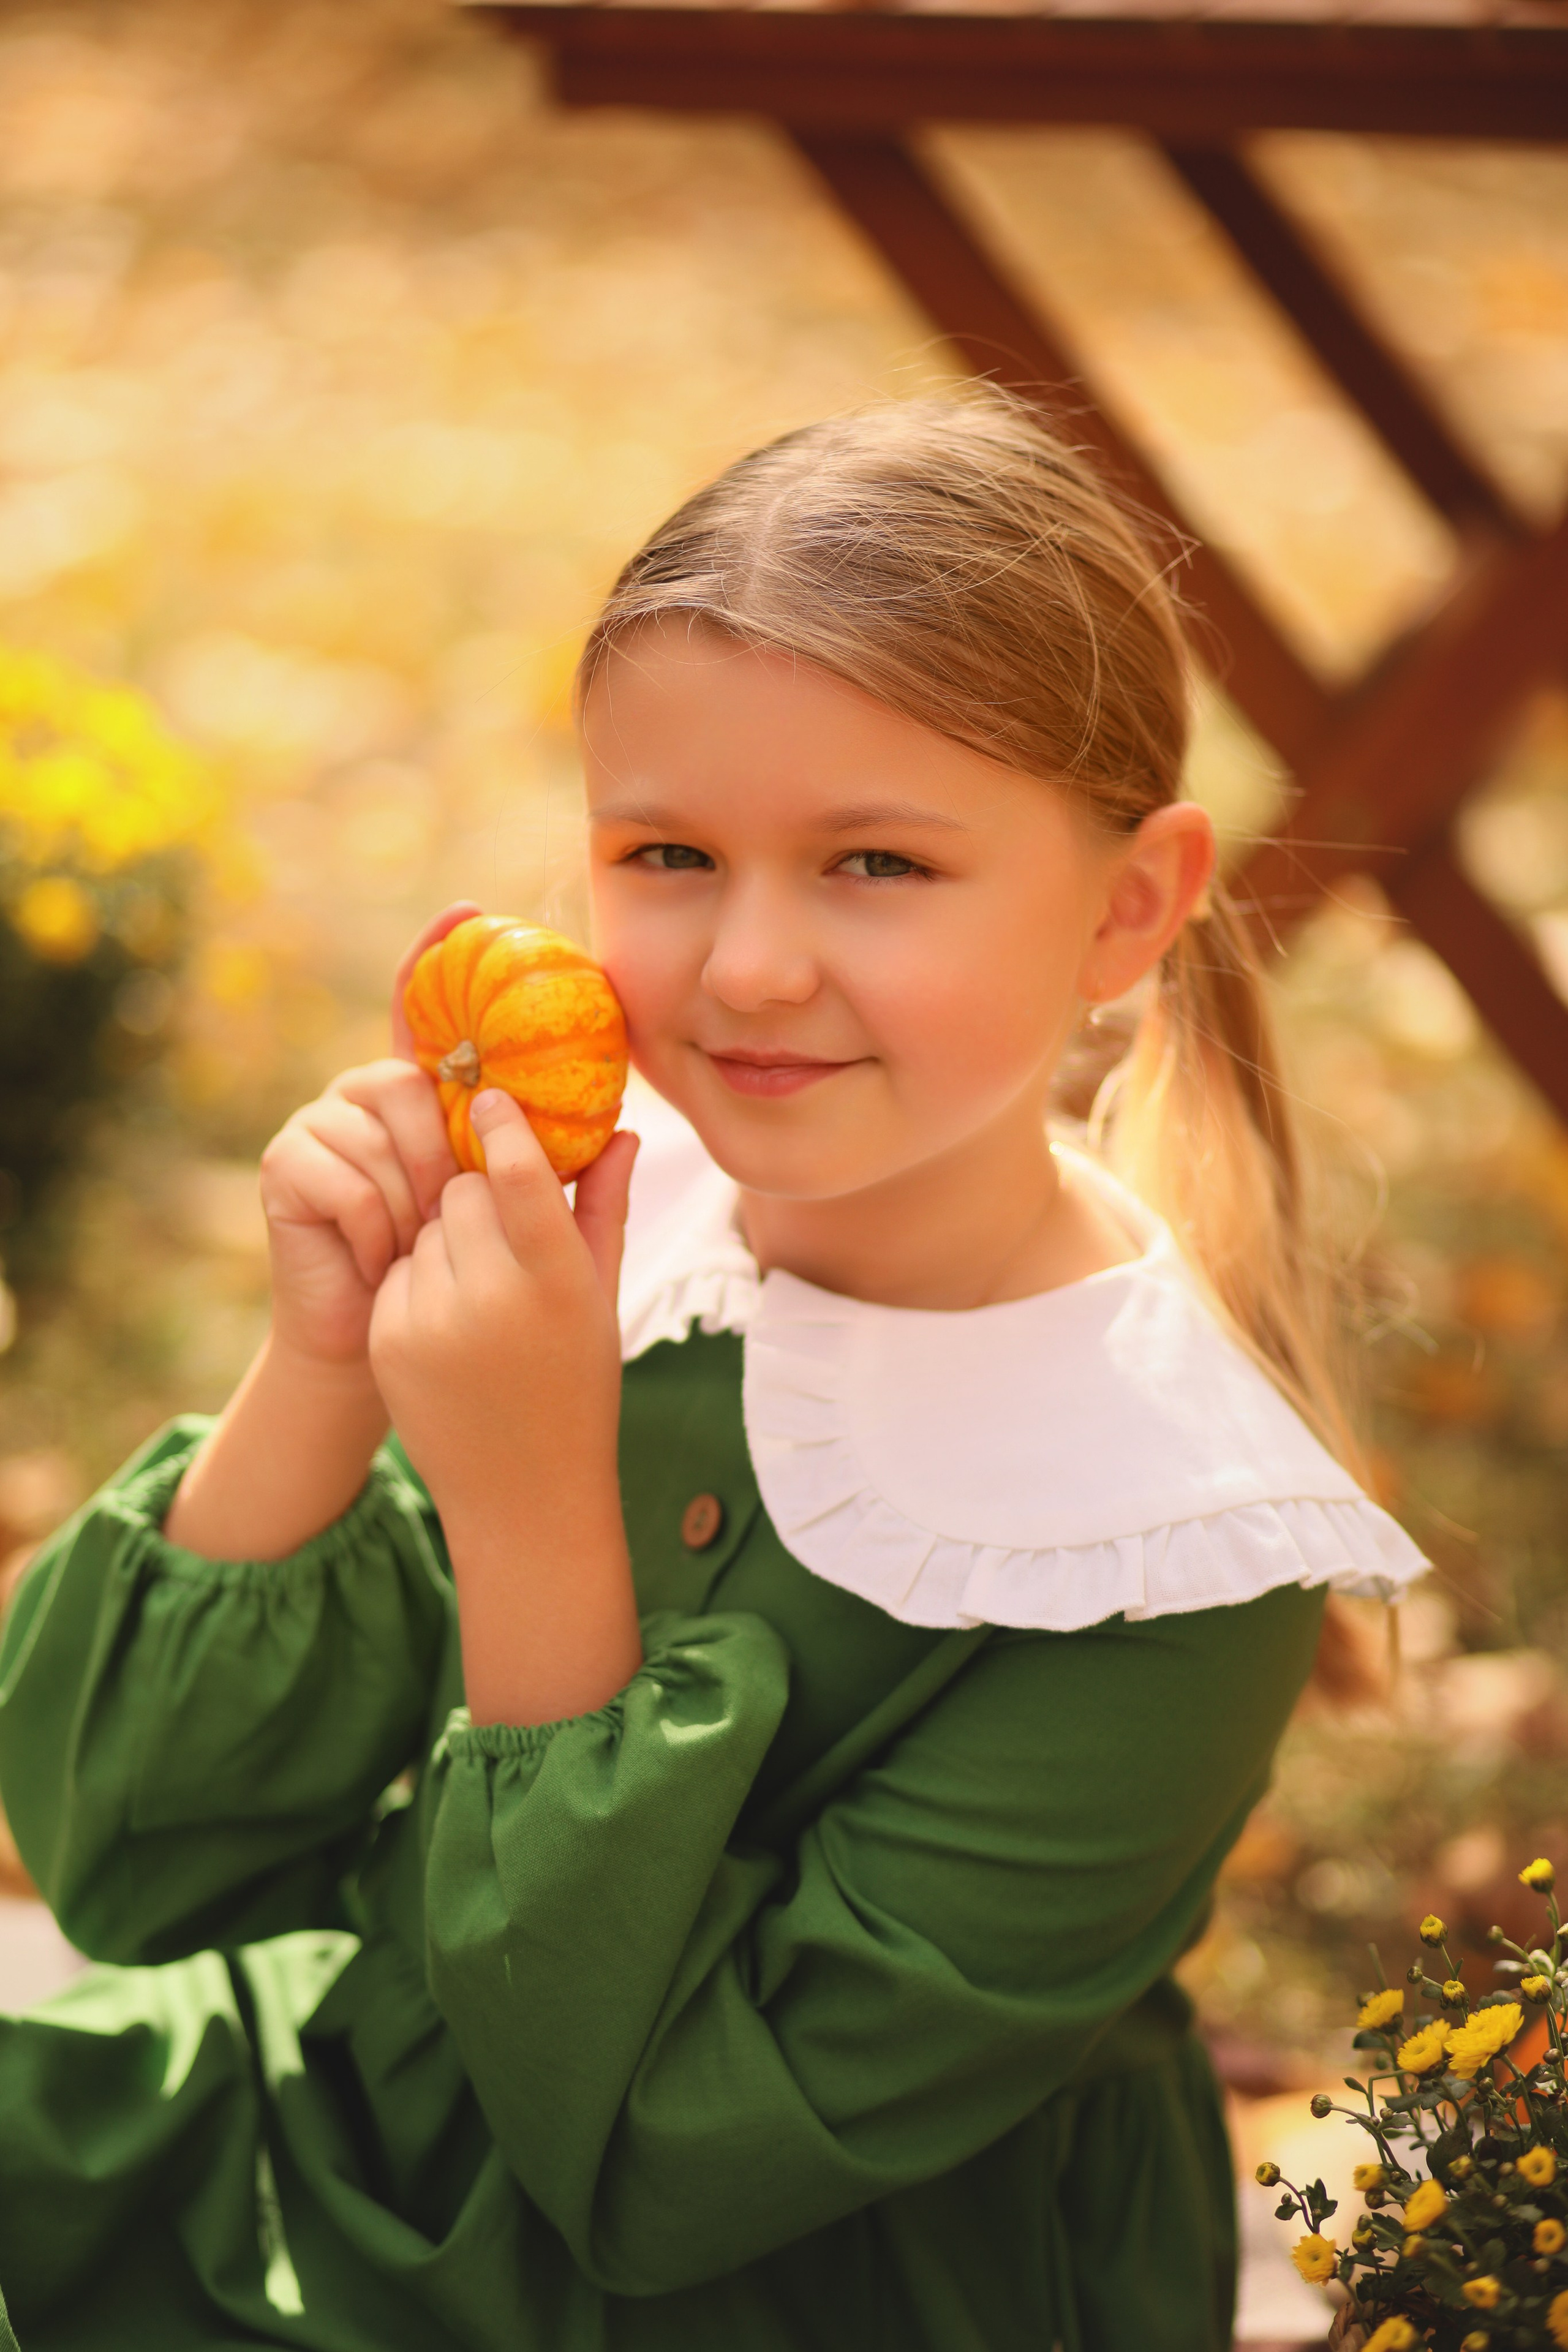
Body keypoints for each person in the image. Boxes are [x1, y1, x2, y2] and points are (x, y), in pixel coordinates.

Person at [0, 391, 1425, 2352]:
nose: (748, 966)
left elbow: (664, 2169)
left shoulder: (1164, 1544)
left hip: (790, 2285)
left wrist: (524, 1509)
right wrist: (324, 1367)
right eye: (670, 852)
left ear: (1127, 907)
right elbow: (134, 1861)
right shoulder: (623, 1228)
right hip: (373, 2120)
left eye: (876, 866)